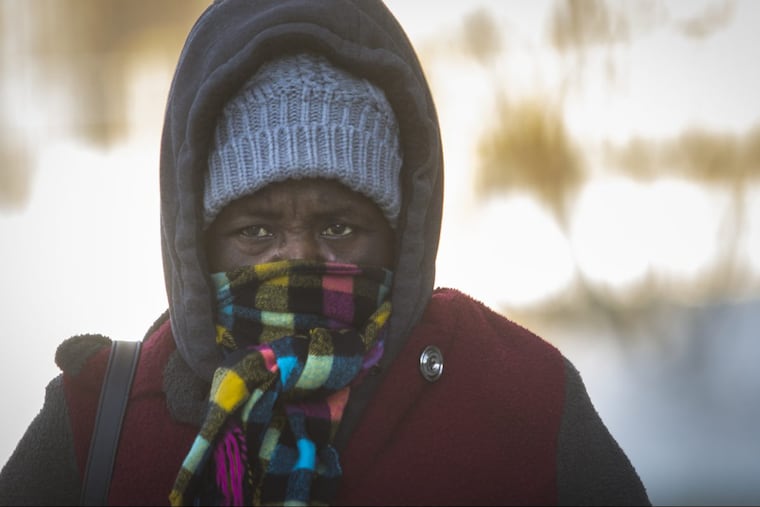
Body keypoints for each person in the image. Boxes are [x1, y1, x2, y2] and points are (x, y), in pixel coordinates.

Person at [0, 0, 650, 505]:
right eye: (255, 231)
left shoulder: (524, 404)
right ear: (198, 245)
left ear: (402, 234)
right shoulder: (97, 427)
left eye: (339, 227)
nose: (299, 259)